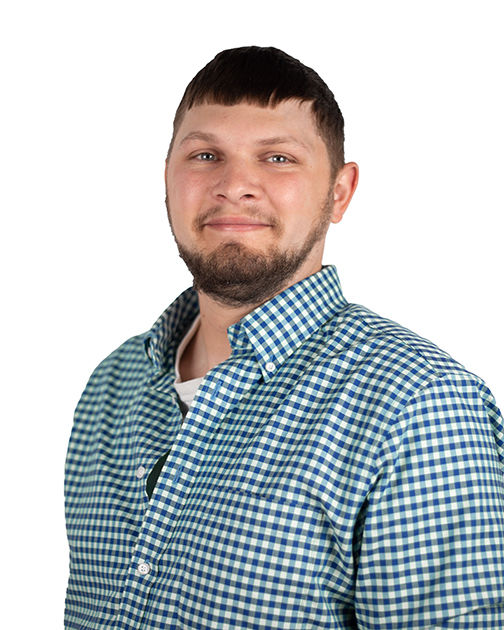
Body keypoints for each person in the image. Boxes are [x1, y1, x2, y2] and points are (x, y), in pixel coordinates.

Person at [64, 46, 504, 629]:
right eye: (205, 154)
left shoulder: (420, 407)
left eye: (276, 157)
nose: (234, 184)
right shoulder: (110, 387)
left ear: (339, 193)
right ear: (167, 181)